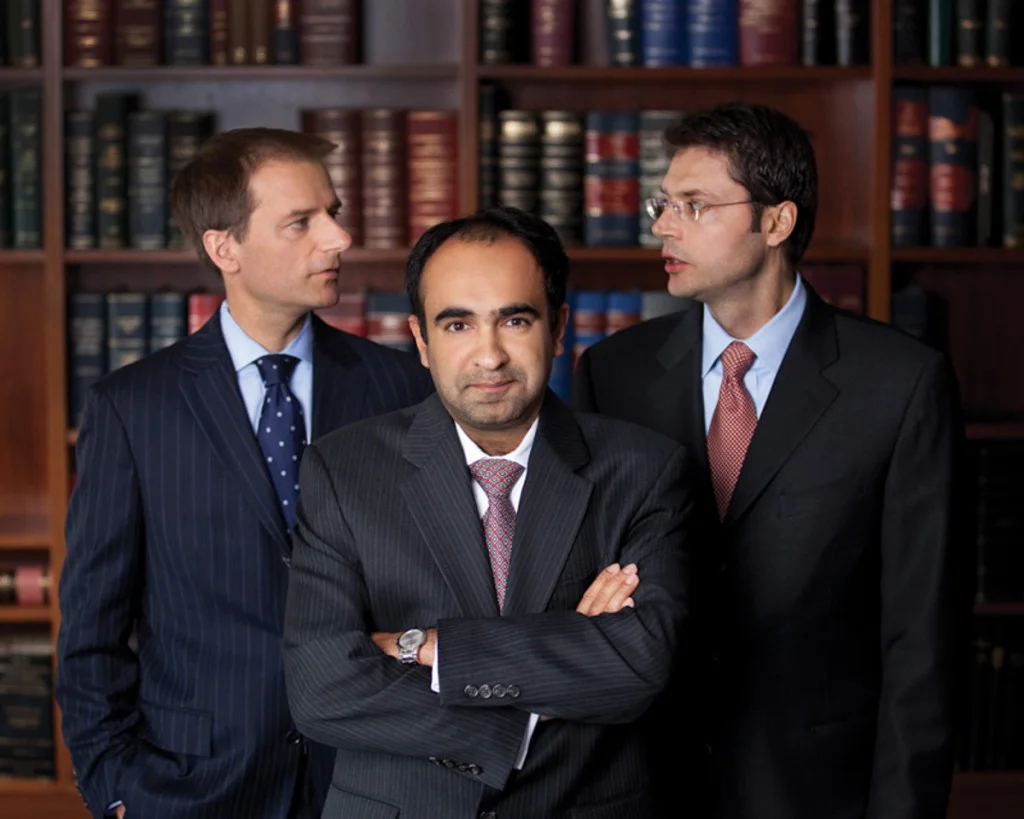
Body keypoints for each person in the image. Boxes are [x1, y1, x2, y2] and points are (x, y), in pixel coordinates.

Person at [572, 102, 966, 819]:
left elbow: (923, 641)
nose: (663, 226)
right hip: (646, 785)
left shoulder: (900, 383)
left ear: (777, 222)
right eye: (664, 204)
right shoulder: (613, 374)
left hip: (818, 788)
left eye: (694, 205)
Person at [56, 127, 434, 819]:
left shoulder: (403, 387)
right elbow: (91, 626)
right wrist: (113, 786)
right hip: (193, 786)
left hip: (376, 776)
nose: (340, 237)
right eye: (301, 221)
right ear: (223, 247)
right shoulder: (132, 407)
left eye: (333, 212)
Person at [281, 206, 694, 819]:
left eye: (515, 320)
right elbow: (321, 690)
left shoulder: (643, 469)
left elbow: (640, 665)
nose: (490, 355)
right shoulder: (342, 471)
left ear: (559, 328)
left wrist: (427, 649)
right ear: (421, 341)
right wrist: (538, 699)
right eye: (457, 325)